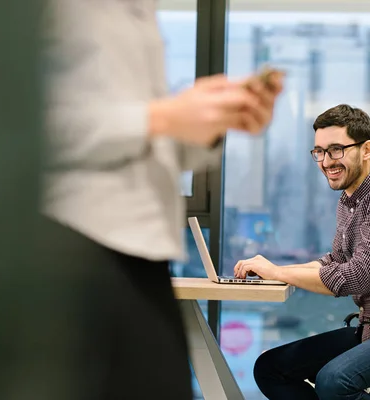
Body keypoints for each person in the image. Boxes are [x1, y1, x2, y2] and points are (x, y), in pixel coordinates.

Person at [38, 1, 284, 399]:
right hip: (73, 242)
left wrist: (211, 122)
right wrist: (162, 117)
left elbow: (149, 143)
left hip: (143, 248)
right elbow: (21, 128)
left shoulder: (141, 12)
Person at [233, 104, 370, 400]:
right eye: (319, 152)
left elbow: (354, 278)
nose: (326, 162)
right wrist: (271, 268)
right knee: (271, 367)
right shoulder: (349, 200)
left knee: (335, 381)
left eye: (336, 149)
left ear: (366, 149)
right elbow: (335, 262)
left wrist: (276, 272)